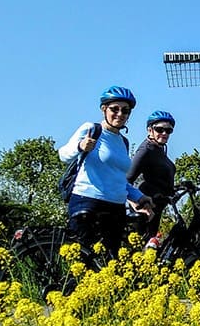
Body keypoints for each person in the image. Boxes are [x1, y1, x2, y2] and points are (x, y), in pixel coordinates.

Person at [58, 86, 154, 256]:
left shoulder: (123, 142)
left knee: (111, 260)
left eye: (125, 110)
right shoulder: (92, 130)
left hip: (115, 206)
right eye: (114, 109)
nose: (120, 114)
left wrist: (139, 197)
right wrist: (80, 146)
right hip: (88, 200)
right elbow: (63, 154)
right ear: (104, 109)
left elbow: (118, 179)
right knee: (84, 258)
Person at [126, 110, 177, 239]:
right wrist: (137, 206)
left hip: (158, 206)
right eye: (159, 129)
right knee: (141, 249)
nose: (164, 133)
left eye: (168, 130)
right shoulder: (146, 150)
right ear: (150, 130)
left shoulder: (159, 149)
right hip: (146, 208)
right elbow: (126, 180)